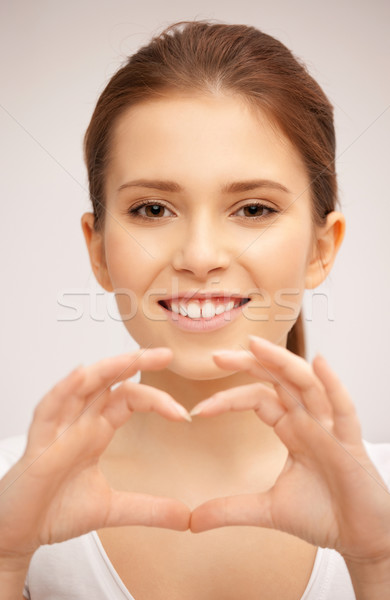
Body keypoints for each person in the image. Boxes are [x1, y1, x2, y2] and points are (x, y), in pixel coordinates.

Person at [0, 19, 389, 600]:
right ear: (97, 248)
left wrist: (378, 565)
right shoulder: (12, 497)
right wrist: (7, 560)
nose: (200, 256)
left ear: (321, 248)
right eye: (153, 209)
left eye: (253, 209)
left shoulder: (381, 506)